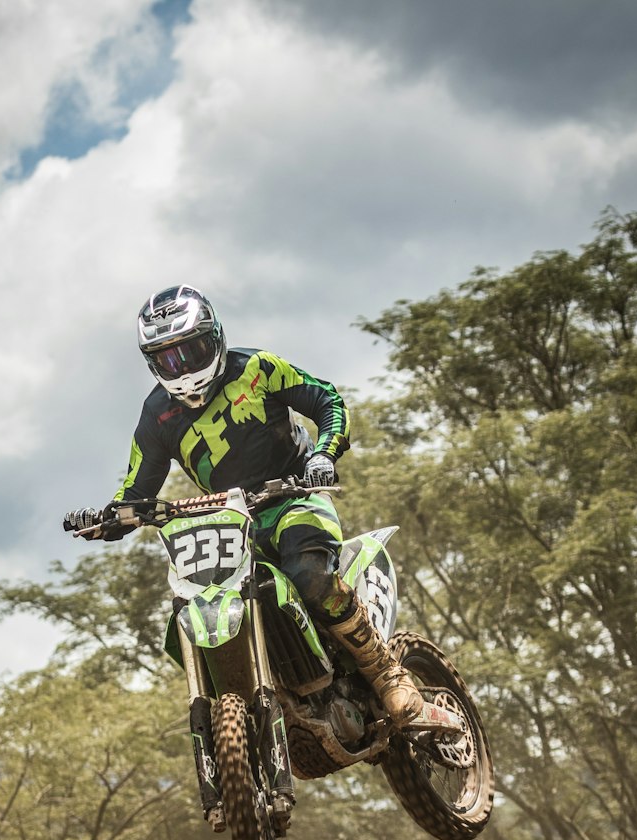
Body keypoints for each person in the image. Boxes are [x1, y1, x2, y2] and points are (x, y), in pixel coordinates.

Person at [64, 284, 461, 731]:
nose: (183, 367)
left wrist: (323, 455)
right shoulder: (156, 415)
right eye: (169, 358)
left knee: (308, 576)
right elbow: (137, 488)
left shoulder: (257, 368)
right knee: (199, 603)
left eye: (191, 351)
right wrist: (107, 519)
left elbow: (327, 399)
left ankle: (387, 672)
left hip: (294, 496)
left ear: (214, 338)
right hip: (230, 524)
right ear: (153, 363)